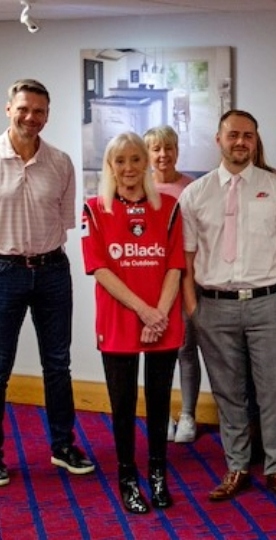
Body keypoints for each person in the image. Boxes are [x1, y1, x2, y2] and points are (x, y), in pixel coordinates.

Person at [179, 110, 276, 502]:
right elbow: (184, 258)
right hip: (213, 307)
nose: (241, 142)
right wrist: (192, 309)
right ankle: (236, 466)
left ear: (256, 141)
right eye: (233, 135)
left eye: (248, 136)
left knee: (273, 392)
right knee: (228, 393)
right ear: (218, 139)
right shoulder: (195, 194)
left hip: (270, 304)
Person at [81, 132, 185, 514]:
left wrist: (158, 314)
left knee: (159, 404)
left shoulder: (170, 207)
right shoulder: (94, 209)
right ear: (110, 166)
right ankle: (127, 477)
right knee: (123, 405)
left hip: (163, 317)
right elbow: (100, 269)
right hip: (121, 319)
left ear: (146, 163)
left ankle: (158, 473)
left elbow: (175, 265)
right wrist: (145, 311)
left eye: (135, 159)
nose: (128, 168)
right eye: (120, 160)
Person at [0, 78, 94, 487]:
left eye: (39, 111)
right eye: (23, 109)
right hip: (4, 271)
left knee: (58, 365)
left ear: (47, 114)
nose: (30, 117)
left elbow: (65, 222)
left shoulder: (61, 162)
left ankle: (63, 446)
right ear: (8, 109)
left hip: (53, 271)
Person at [144, 125, 200, 445]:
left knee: (185, 349)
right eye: (156, 149)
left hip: (183, 281)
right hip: (150, 284)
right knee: (156, 352)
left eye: (169, 148)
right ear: (148, 153)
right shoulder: (139, 187)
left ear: (177, 151)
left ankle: (189, 413)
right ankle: (161, 413)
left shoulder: (190, 188)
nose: (163, 155)